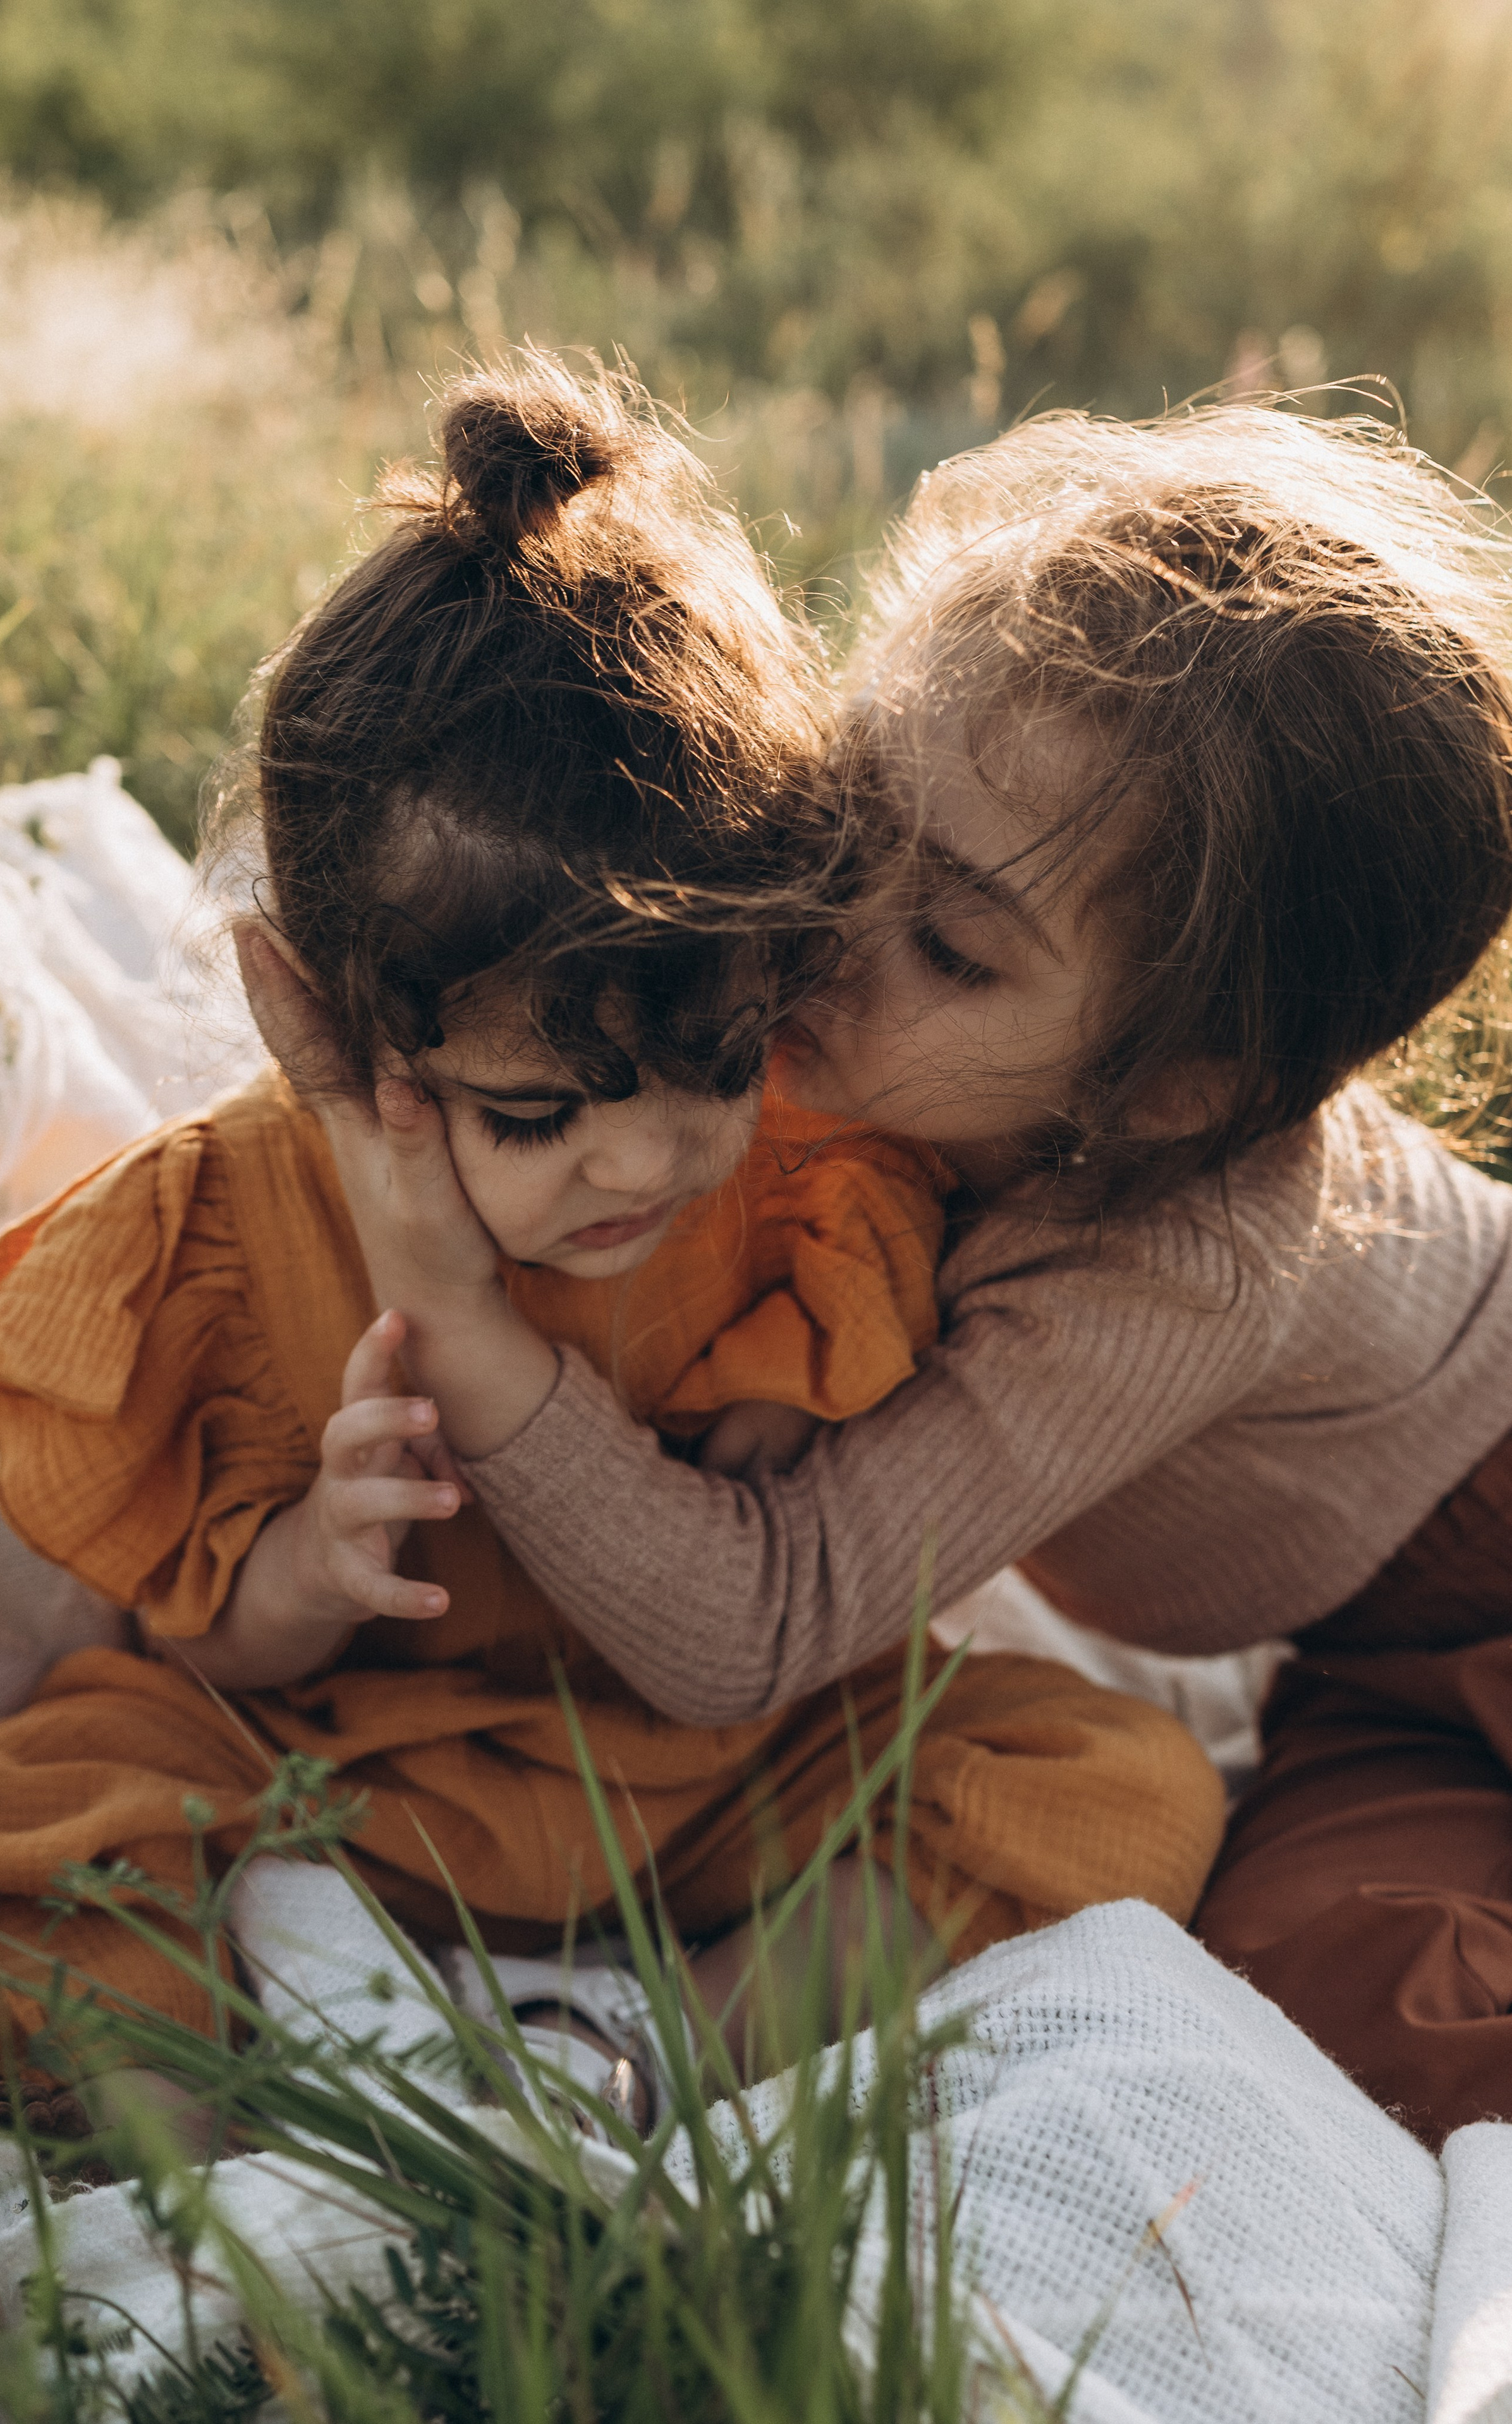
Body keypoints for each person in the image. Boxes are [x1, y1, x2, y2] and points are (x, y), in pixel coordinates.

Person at [0, 358, 1222, 2129]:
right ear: (324, 1016)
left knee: (1114, 1772)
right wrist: (311, 1559)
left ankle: (652, 2058)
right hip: (350, 1772)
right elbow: (192, 1645)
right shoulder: (219, 1227)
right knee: (26, 1791)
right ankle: (226, 2179)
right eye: (537, 1113)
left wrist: (789, 1411)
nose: (653, 1156)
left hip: (720, 1782)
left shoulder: (813, 1176)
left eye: (723, 1059)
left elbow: (837, 1437)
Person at [324, 403, 1512, 2150]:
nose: (825, 914)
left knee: (1394, 2087)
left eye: (951, 942)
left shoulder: (1181, 1257)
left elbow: (755, 1623)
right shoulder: (884, 1042)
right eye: (852, 801)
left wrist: (467, 1321)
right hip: (1359, 1659)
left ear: (1169, 1089)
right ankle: (589, 2033)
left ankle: (613, 2053)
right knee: (1334, 1992)